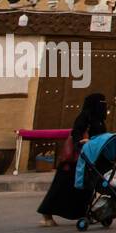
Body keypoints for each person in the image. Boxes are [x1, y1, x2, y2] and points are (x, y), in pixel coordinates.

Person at [38, 92, 107, 226]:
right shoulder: (85, 116)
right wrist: (81, 142)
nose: (104, 106)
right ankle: (46, 216)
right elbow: (76, 132)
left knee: (84, 189)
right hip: (75, 161)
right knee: (60, 188)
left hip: (89, 160)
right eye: (101, 103)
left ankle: (84, 214)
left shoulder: (99, 119)